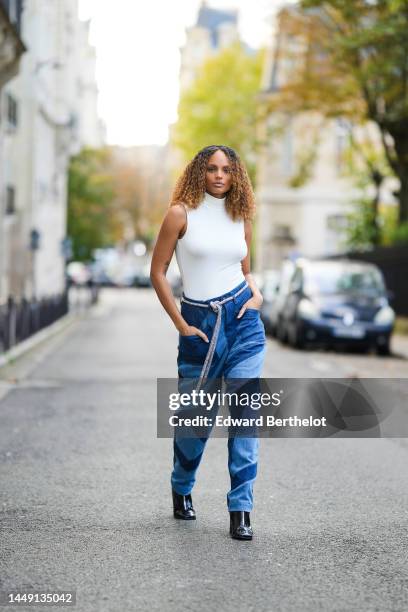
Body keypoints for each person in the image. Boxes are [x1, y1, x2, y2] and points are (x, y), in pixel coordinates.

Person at [150, 144, 266, 540]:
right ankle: (181, 487)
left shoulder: (241, 218)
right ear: (200, 171)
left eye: (228, 170)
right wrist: (181, 324)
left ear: (237, 176)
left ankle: (241, 508)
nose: (220, 175)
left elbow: (245, 270)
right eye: (213, 168)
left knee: (246, 418)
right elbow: (159, 272)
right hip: (199, 327)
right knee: (195, 421)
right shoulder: (180, 214)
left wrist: (257, 293)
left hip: (243, 324)